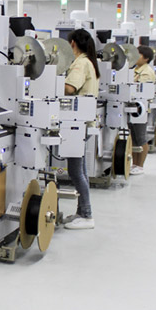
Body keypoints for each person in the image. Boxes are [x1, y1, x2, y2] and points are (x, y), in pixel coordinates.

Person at [62, 29, 100, 230]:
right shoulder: (89, 62)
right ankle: (82, 212)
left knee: (76, 171)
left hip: (77, 123)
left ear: (73, 43)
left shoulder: (81, 63)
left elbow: (69, 88)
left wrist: (49, 81)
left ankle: (87, 215)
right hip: (82, 122)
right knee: (81, 170)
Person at [130, 46, 156, 175]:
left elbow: (141, 90)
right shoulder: (135, 69)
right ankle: (134, 164)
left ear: (146, 58)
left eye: (138, 55)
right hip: (134, 107)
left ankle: (140, 165)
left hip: (141, 108)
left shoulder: (146, 72)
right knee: (134, 138)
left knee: (140, 138)